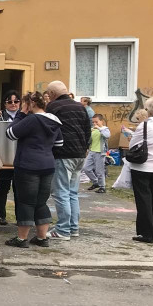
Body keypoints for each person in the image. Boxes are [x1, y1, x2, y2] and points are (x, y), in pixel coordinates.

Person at [4, 92, 63, 248]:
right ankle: (42, 238)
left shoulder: (31, 119)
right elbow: (59, 144)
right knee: (41, 202)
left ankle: (22, 239)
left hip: (28, 165)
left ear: (31, 104)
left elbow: (10, 133)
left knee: (26, 202)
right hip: (48, 165)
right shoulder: (54, 120)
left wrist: (20, 114)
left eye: (25, 103)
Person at [46, 81, 92, 241]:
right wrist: (85, 147)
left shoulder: (53, 107)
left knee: (61, 192)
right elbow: (88, 129)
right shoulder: (80, 107)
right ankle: (73, 228)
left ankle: (63, 230)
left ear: (52, 93)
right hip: (80, 154)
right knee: (72, 192)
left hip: (63, 154)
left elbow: (49, 129)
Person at [129, 97, 153, 244]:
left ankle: (146, 232)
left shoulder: (144, 126)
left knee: (144, 199)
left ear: (148, 110)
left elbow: (133, 145)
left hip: (142, 166)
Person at [0, 90, 25, 225]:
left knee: (19, 190)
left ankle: (20, 216)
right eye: (9, 102)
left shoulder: (24, 116)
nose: (13, 104)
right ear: (4, 104)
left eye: (16, 101)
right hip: (3, 158)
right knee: (2, 188)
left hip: (19, 158)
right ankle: (1, 215)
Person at [83, 114, 111, 194]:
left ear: (101, 121)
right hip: (92, 151)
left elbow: (107, 136)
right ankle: (96, 182)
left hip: (100, 152)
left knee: (99, 171)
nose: (95, 124)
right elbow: (89, 140)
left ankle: (102, 187)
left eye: (96, 122)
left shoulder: (105, 129)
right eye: (93, 122)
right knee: (86, 168)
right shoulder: (93, 130)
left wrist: (99, 128)